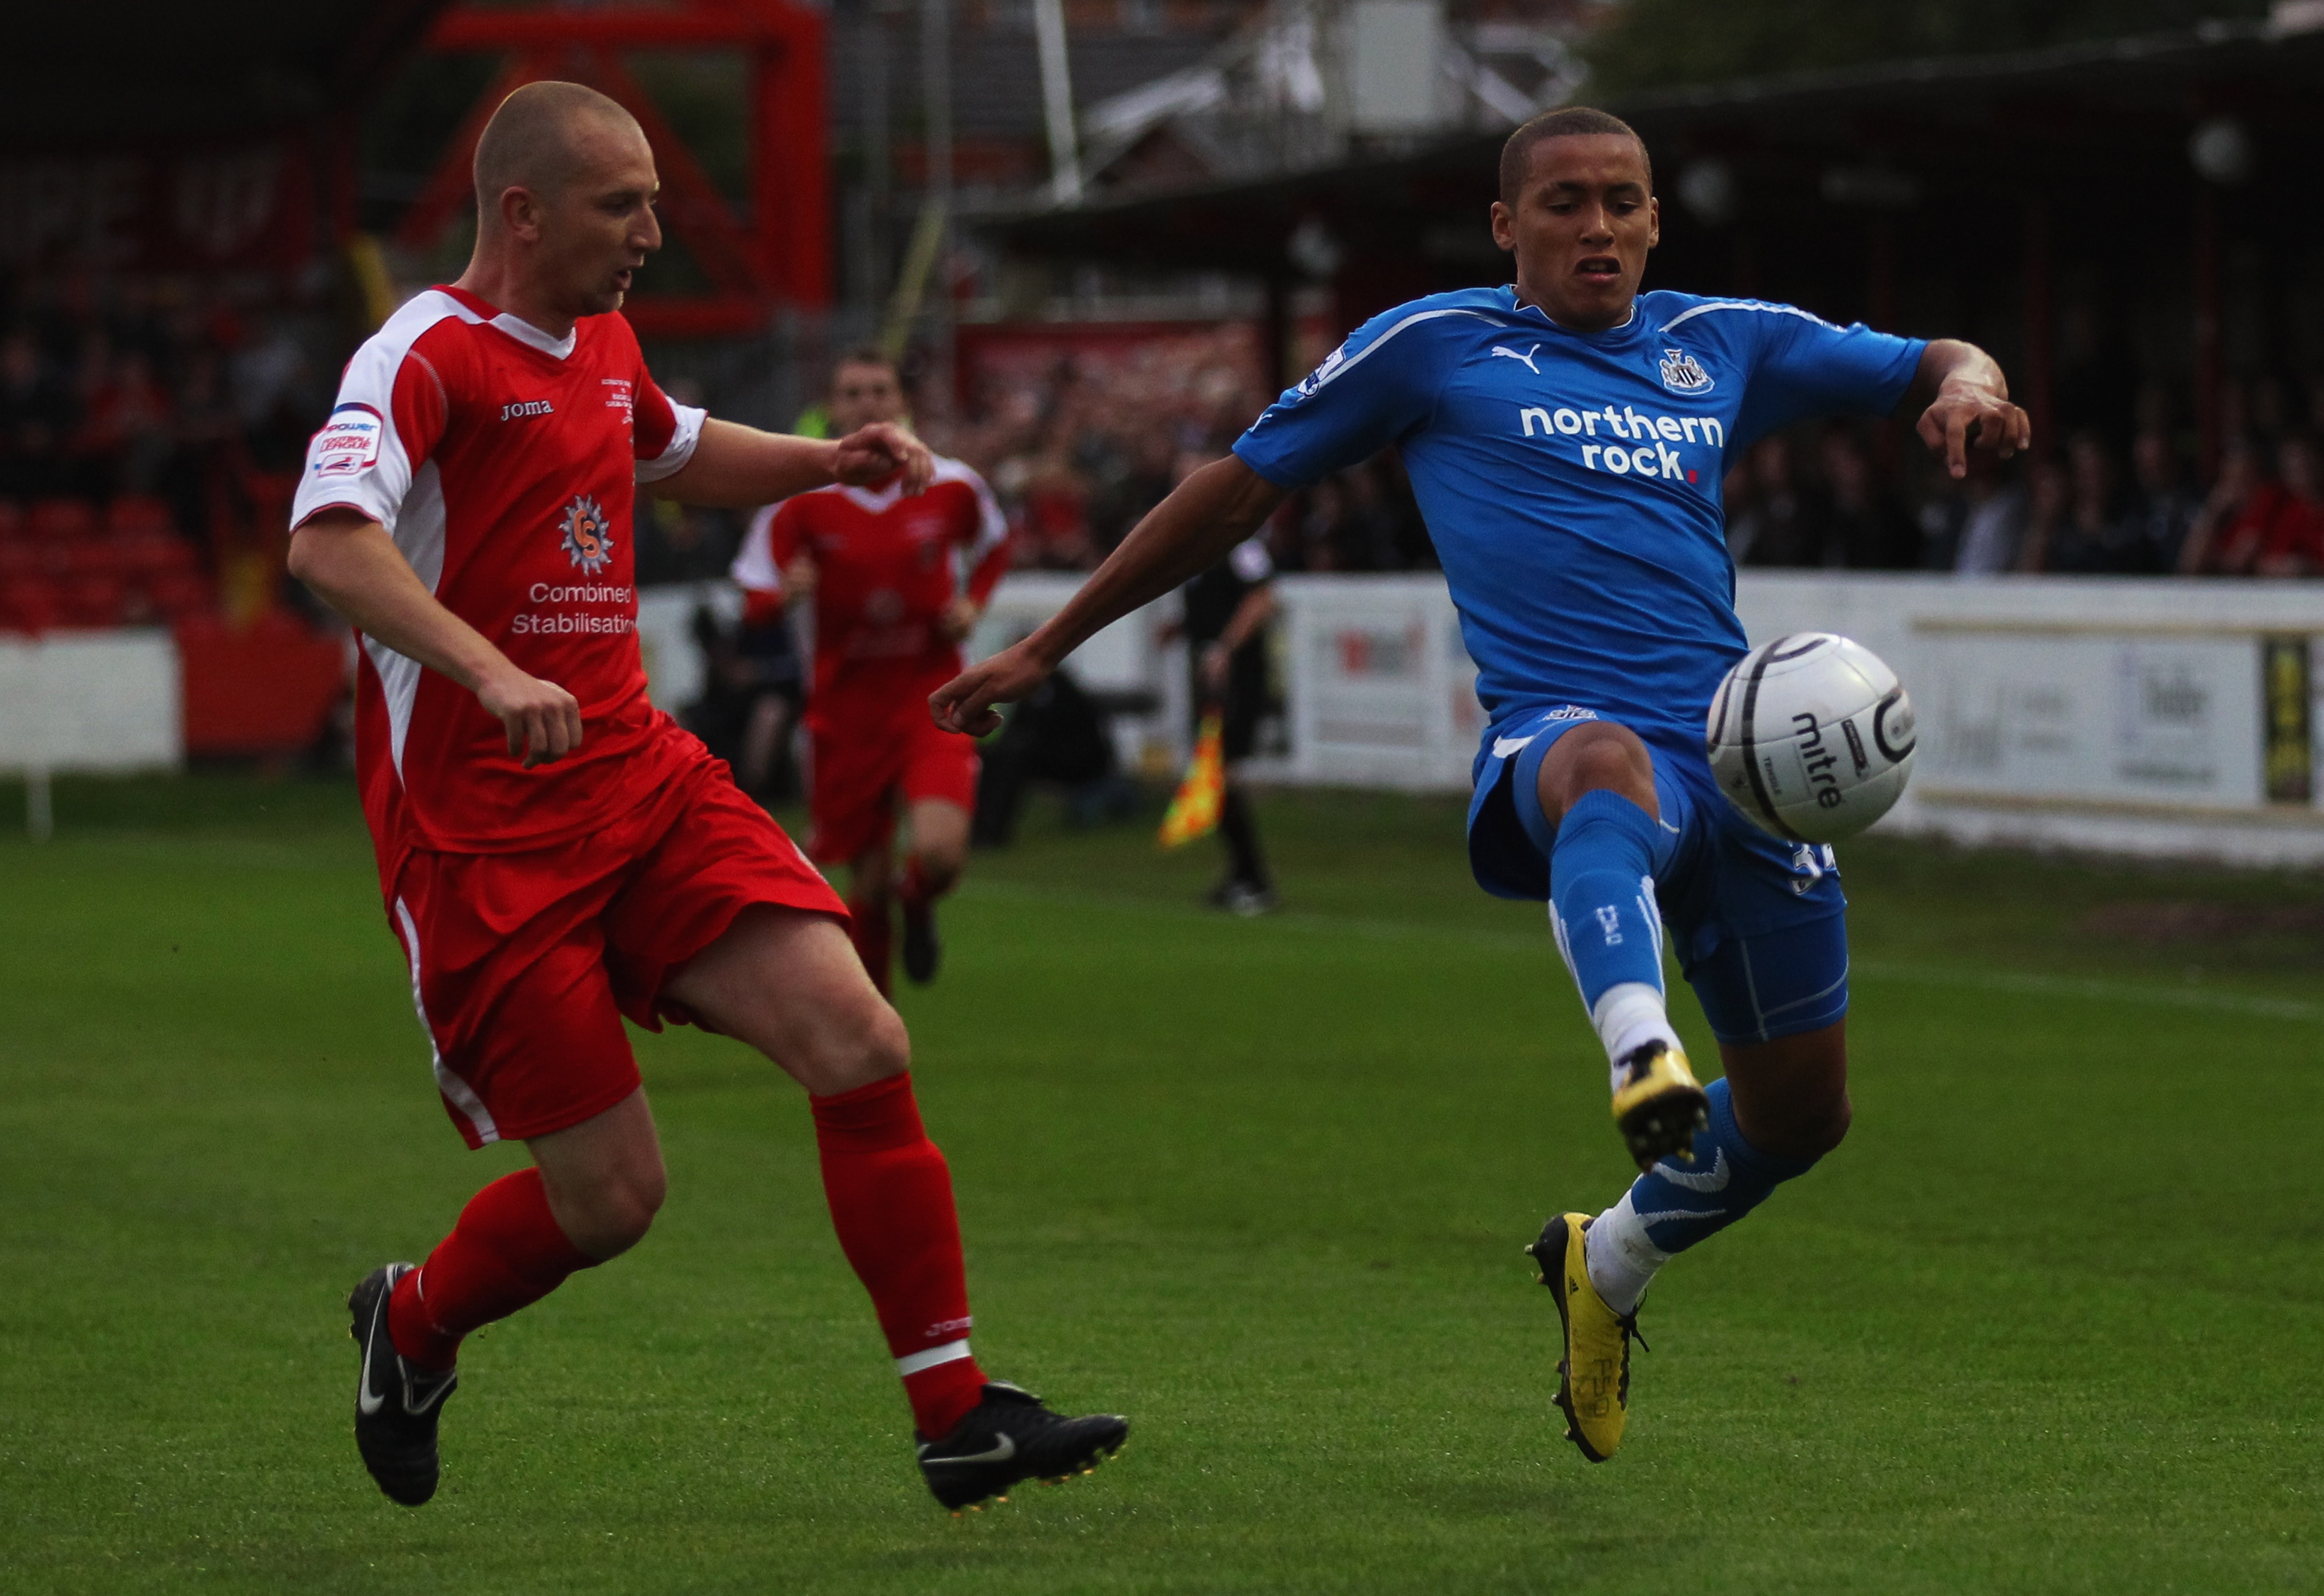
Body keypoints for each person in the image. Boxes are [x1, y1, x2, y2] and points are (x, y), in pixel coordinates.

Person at [933, 105, 2027, 1465]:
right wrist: (1049, 641)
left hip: (1739, 758)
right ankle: (1642, 1050)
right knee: (1601, 772)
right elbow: (1236, 490)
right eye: (1564, 203)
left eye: (1623, 202)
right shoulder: (1435, 346)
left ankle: (1608, 1260)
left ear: (1653, 223)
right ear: (1507, 227)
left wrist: (1969, 390)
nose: (1599, 228)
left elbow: (1935, 357)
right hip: (1558, 731)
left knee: (1807, 1115)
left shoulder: (1717, 341)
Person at [285, 82, 1123, 1515]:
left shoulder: (602, 340)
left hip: (640, 782)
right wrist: (490, 674)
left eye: (660, 203)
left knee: (859, 1035)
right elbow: (330, 542)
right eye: (625, 207)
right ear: (522, 212)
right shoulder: (424, 350)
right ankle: (412, 1321)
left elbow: (673, 452)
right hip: (480, 842)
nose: (654, 236)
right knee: (613, 1204)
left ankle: (956, 1415)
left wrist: (828, 464)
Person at [730, 349, 1011, 993]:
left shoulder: (952, 485)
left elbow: (995, 547)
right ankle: (877, 1030)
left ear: (901, 404)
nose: (868, 404)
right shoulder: (798, 499)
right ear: (833, 410)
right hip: (845, 710)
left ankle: (921, 900)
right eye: (853, 394)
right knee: (866, 882)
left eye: (879, 391)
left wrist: (971, 604)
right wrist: (785, 596)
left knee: (940, 857)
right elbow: (753, 602)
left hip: (932, 695)